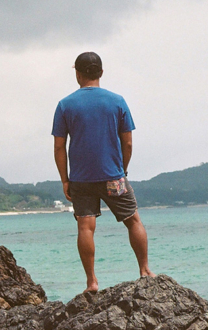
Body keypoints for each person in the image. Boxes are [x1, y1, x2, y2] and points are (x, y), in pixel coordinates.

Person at [52, 51, 153, 293]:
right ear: (101, 73)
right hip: (113, 176)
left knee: (85, 228)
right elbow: (127, 143)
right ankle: (145, 270)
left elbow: (59, 146)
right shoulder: (117, 101)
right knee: (133, 220)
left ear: (77, 73)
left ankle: (92, 282)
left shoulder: (65, 105)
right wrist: (123, 170)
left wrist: (65, 180)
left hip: (80, 179)